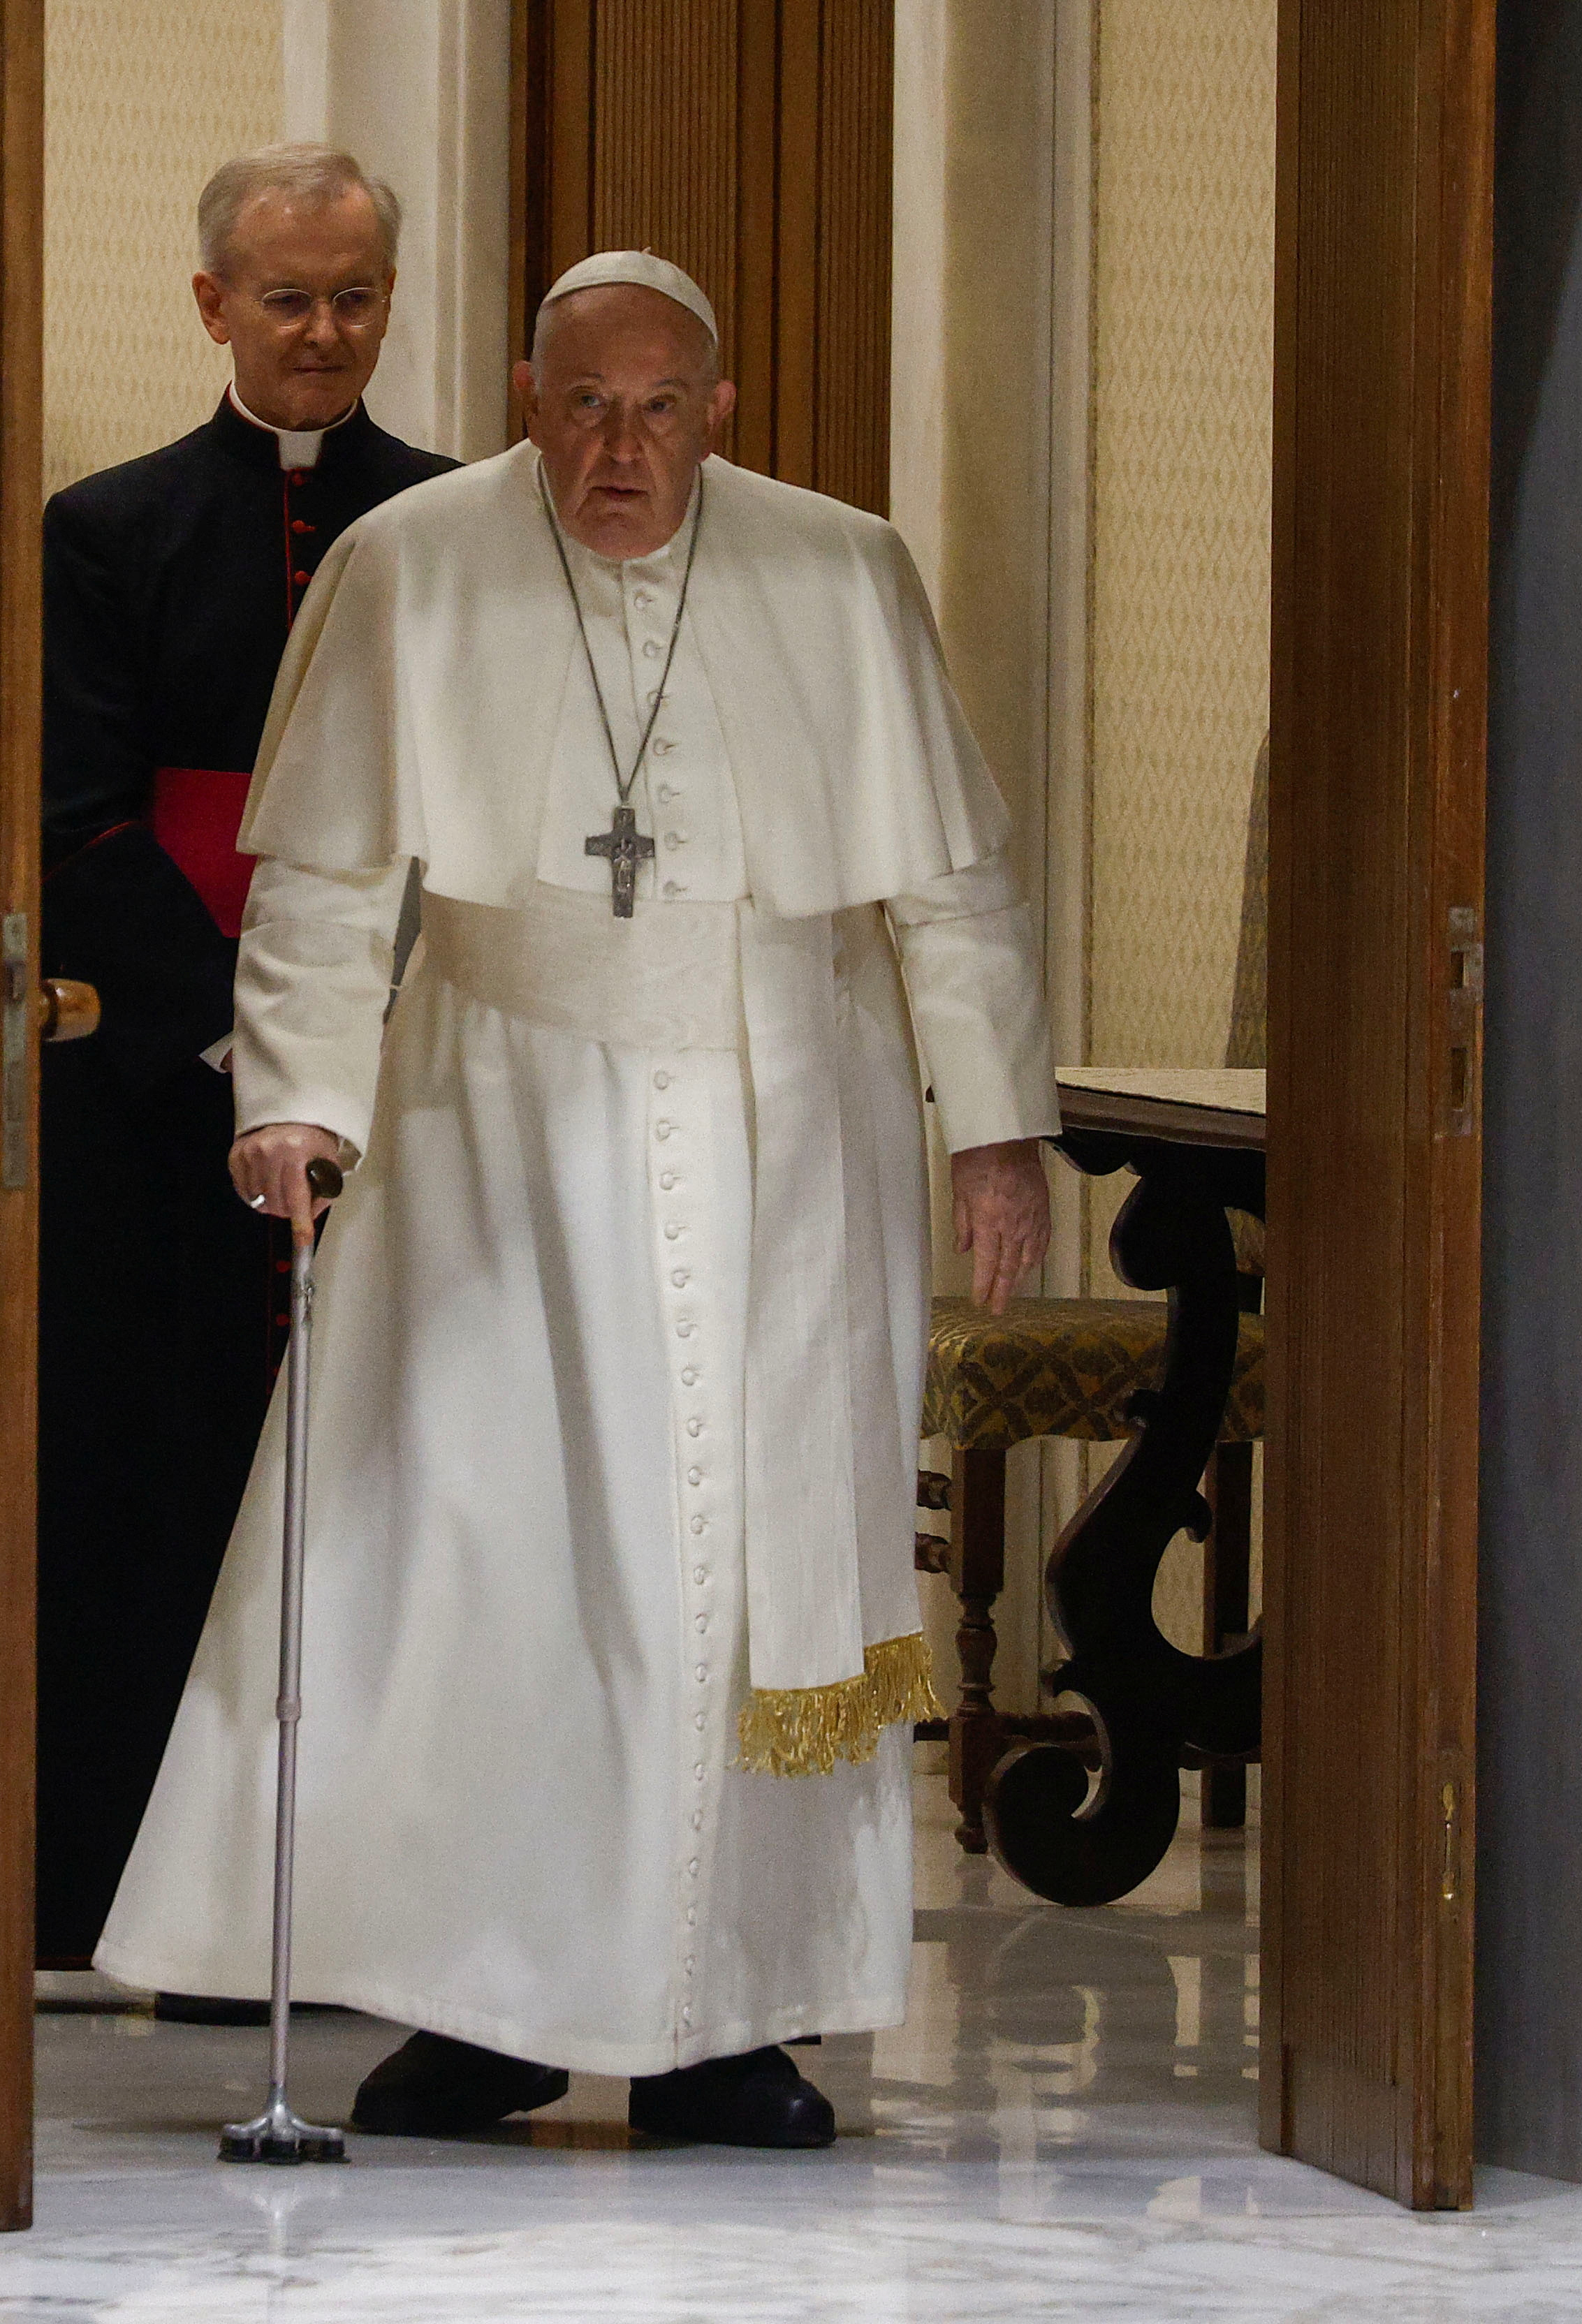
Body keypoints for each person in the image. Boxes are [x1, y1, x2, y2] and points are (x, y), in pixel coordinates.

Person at [94, 251, 1058, 2145]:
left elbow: (949, 886)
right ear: (529, 398)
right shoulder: (412, 563)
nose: (621, 449)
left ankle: (730, 2025)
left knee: (742, 1584)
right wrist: (296, 1098)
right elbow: (324, 881)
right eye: (585, 406)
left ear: (720, 412)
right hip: (492, 1130)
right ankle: (483, 2008)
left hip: (790, 1119)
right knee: (491, 1568)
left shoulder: (839, 567)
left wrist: (994, 1126)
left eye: (661, 409)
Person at [35, 145, 454, 1971]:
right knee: (156, 1487)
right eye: (287, 299)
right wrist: (248, 1032)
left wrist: (371, 1033)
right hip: (158, 1096)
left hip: (416, 1087)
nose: (324, 333)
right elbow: (76, 827)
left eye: (355, 296)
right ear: (212, 303)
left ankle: (363, 1905)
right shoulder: (108, 533)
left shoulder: (453, 528)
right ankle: (125, 1900)